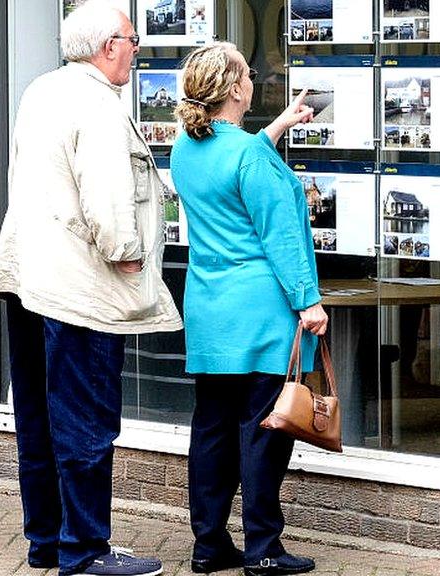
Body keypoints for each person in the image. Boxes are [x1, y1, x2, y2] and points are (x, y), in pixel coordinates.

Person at [0, 2, 182, 575]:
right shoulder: (97, 102)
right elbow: (107, 193)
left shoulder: (40, 91)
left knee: (39, 421)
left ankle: (47, 541)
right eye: (132, 38)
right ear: (107, 46)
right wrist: (124, 253)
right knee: (86, 421)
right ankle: (86, 550)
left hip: (29, 279)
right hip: (79, 287)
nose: (138, 47)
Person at [169, 43, 328, 576]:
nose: (254, 80)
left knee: (212, 427)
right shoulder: (249, 156)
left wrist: (278, 125)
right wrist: (308, 302)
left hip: (212, 310)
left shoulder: (187, 148)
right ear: (237, 88)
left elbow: (232, 161)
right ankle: (263, 548)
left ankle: (208, 544)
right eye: (249, 74)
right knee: (263, 430)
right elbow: (281, 236)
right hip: (262, 311)